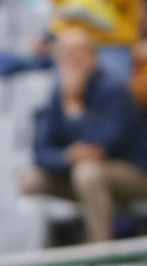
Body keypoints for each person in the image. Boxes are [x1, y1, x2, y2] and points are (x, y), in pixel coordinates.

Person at [20, 29, 147, 244]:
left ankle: (99, 251)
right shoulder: (58, 93)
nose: (71, 59)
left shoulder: (114, 88)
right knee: (30, 179)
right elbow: (40, 151)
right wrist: (67, 156)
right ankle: (40, 252)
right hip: (80, 174)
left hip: (135, 175)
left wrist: (75, 110)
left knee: (87, 173)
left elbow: (106, 143)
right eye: (65, 53)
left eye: (77, 52)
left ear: (93, 56)